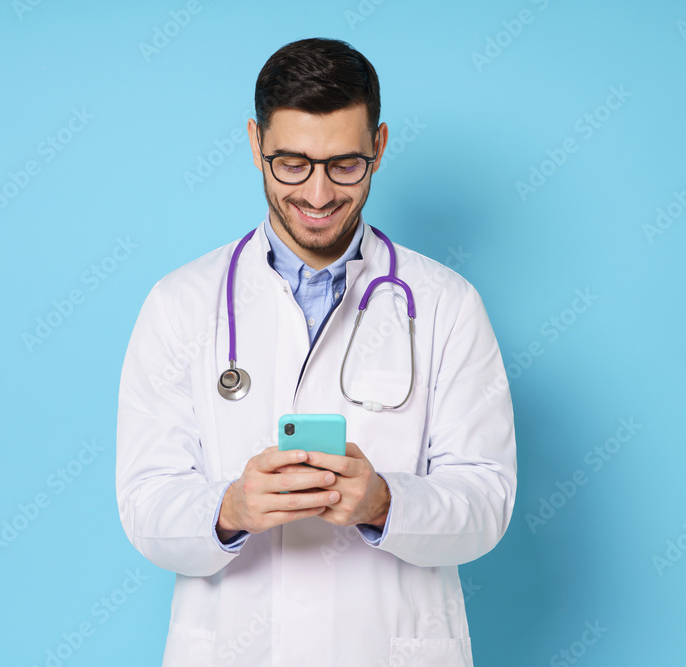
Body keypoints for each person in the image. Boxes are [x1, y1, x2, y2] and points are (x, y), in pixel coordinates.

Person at [116, 37, 517, 667]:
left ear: (379, 148)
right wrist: (230, 509)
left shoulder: (447, 304)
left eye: (345, 164)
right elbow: (145, 506)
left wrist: (387, 502)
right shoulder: (178, 304)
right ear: (255, 145)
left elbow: (487, 502)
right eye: (292, 163)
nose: (319, 193)